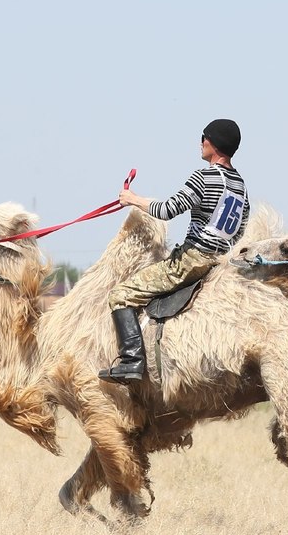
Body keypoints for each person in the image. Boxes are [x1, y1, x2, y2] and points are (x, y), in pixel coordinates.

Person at [101, 119, 250, 383]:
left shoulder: (204, 177)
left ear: (212, 143)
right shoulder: (240, 185)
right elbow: (240, 229)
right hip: (220, 262)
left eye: (203, 137)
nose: (200, 142)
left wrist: (132, 199)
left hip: (191, 260)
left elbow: (168, 210)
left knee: (121, 295)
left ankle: (132, 361)